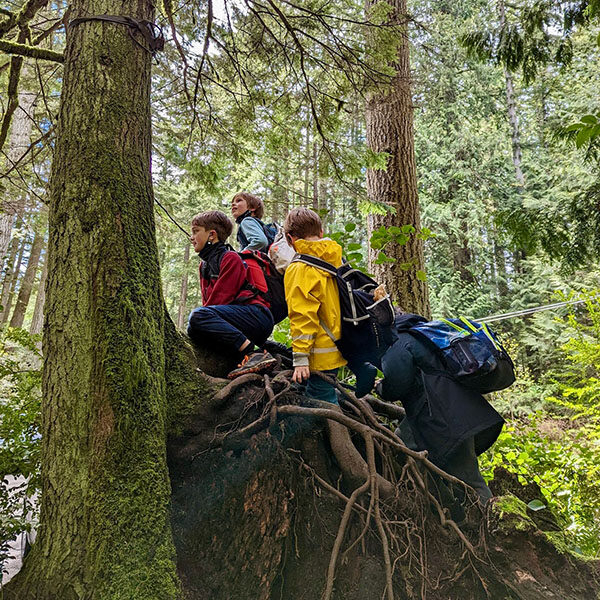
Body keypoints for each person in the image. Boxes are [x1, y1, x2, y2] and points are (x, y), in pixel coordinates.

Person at [378, 312, 505, 504]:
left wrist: (380, 387)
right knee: (402, 443)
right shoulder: (424, 335)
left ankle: (492, 526)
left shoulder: (398, 341)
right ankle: (439, 513)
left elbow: (397, 383)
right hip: (456, 413)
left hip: (445, 420)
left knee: (469, 480)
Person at [187, 210, 277, 378]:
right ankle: (241, 355)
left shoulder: (230, 258)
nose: (191, 237)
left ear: (212, 235)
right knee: (193, 327)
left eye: (195, 231)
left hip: (257, 316)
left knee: (197, 316)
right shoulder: (204, 266)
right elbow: (210, 306)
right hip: (233, 319)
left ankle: (254, 353)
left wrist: (202, 318)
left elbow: (221, 301)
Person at [283, 208, 346, 404]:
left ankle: (339, 433)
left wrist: (300, 358)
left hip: (318, 353)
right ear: (321, 233)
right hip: (336, 346)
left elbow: (303, 315)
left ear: (289, 239)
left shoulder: (300, 268)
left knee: (322, 404)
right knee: (323, 392)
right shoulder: (335, 259)